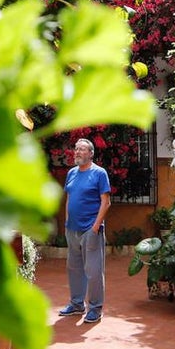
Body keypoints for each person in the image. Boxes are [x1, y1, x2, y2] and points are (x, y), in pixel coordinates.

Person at [58, 137, 111, 323]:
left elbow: (106, 201)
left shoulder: (99, 173)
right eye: (76, 149)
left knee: (94, 270)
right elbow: (69, 199)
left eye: (81, 149)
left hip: (91, 229)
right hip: (72, 229)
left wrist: (96, 227)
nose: (77, 152)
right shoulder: (71, 173)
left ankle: (95, 308)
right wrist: (66, 222)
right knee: (73, 268)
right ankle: (77, 304)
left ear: (91, 153)